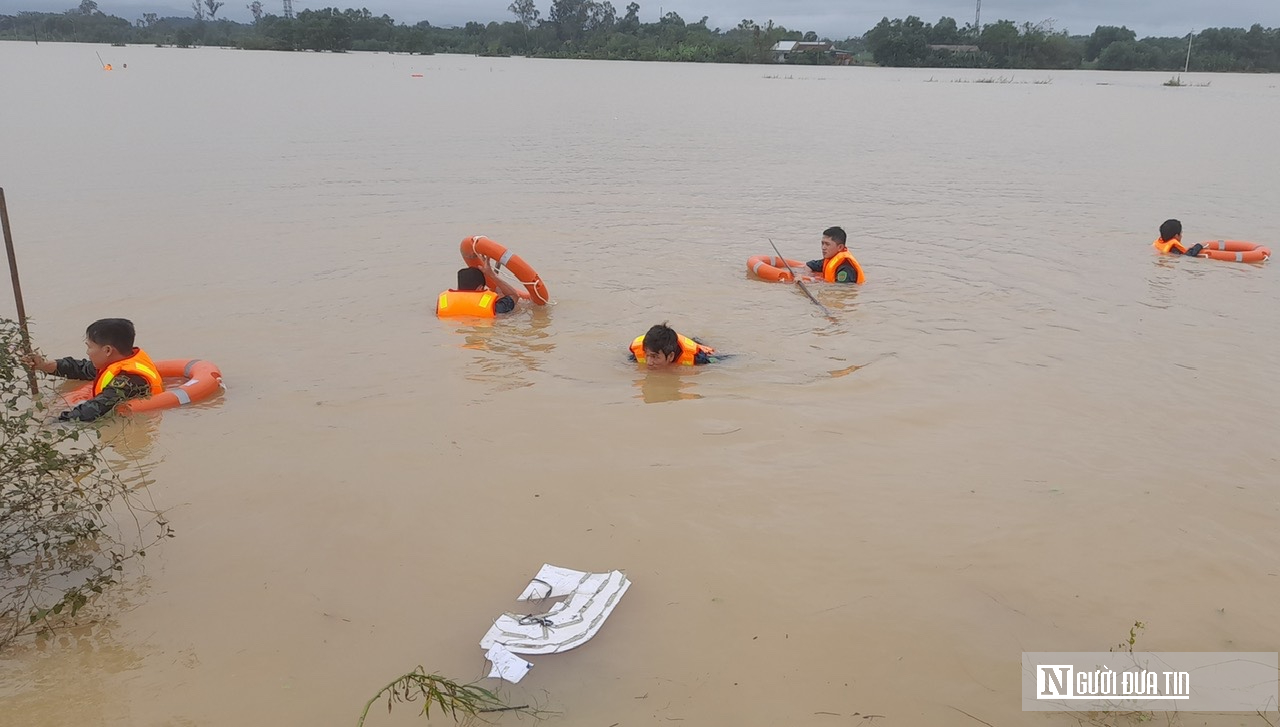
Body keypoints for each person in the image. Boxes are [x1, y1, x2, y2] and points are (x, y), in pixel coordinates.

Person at [21, 318, 163, 422]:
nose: (88, 352)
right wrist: (43, 365)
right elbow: (80, 368)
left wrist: (52, 421)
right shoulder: (119, 360)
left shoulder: (129, 380)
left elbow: (94, 410)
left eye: (89, 347)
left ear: (107, 350)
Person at [436, 263, 522, 318]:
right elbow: (514, 295)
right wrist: (493, 276)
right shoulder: (492, 306)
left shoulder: (443, 300)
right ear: (480, 288)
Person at [628, 323, 723, 367]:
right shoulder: (638, 353)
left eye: (654, 356)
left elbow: (722, 361)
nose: (649, 362)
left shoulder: (698, 359)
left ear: (670, 356)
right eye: (647, 355)